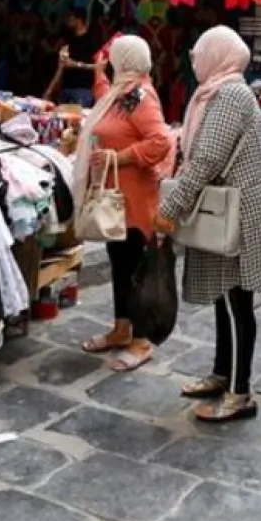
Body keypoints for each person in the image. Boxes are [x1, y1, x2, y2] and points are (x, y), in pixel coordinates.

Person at [157, 26, 261, 423]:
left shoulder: (229, 93)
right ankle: (222, 373)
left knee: (235, 304)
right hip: (227, 208)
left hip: (242, 211)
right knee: (224, 298)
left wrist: (173, 207)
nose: (194, 59)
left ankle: (239, 393)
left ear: (217, 54)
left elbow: (208, 158)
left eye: (200, 52)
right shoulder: (215, 92)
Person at [74, 36, 174, 371]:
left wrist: (122, 156)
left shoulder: (140, 96)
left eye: (115, 58)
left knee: (135, 269)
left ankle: (142, 339)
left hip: (134, 199)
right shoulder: (122, 93)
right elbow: (106, 102)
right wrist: (99, 73)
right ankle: (121, 328)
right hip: (116, 198)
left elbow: (161, 140)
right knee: (120, 262)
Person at [45, 7, 101, 106]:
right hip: (65, 89)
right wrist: (50, 89)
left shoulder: (91, 40)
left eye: (70, 17)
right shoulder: (68, 39)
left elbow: (100, 66)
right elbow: (61, 66)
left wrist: (76, 64)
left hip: (83, 89)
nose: (67, 20)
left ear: (78, 19)